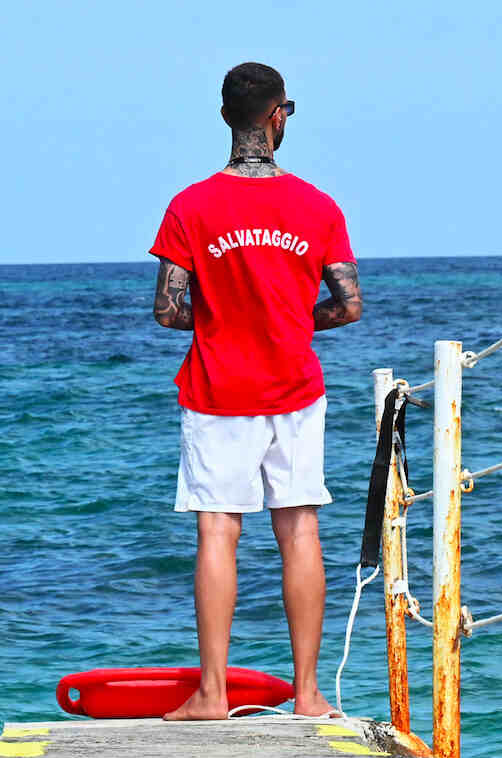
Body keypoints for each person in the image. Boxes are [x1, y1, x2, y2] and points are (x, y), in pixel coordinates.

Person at [150, 62, 362, 720]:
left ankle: (212, 694)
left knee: (218, 532)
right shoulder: (318, 206)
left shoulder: (190, 206)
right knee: (299, 531)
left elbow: (167, 310)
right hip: (294, 385)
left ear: (225, 116)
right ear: (278, 116)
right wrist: (291, 322)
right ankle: (308, 695)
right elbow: (348, 304)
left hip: (217, 388)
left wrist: (225, 320)